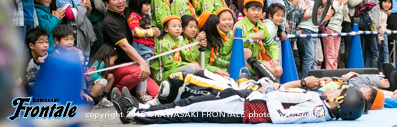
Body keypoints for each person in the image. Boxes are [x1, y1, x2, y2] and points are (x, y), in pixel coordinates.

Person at [111, 80, 366, 124]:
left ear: (340, 103)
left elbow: (279, 116)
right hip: (247, 99)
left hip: (245, 110)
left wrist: (272, 94)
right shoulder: (319, 101)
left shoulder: (315, 110)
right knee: (189, 103)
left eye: (339, 92)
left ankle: (134, 113)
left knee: (189, 111)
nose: (334, 90)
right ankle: (143, 107)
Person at [101, 0, 160, 98]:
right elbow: (125, 46)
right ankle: (116, 92)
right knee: (138, 72)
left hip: (135, 63)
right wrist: (142, 63)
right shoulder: (109, 22)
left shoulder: (130, 12)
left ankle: (130, 91)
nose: (120, 1)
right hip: (120, 66)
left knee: (156, 94)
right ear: (106, 3)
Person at [234, 0, 282, 79]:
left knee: (278, 70)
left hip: (256, 62)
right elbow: (233, 45)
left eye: (259, 10)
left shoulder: (262, 27)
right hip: (241, 63)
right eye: (253, 10)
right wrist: (250, 37)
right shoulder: (239, 26)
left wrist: (274, 59)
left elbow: (271, 45)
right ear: (245, 11)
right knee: (246, 51)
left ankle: (257, 79)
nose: (256, 13)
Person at [322, 0, 349, 69]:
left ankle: (334, 73)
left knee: (335, 54)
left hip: (338, 30)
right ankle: (330, 74)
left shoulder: (342, 1)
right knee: (330, 55)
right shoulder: (330, 1)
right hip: (329, 29)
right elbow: (332, 12)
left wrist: (344, 4)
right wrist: (340, 3)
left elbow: (345, 15)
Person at [25, 28, 49, 93]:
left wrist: (42, 63)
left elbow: (50, 79)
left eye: (47, 42)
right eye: (41, 42)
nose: (46, 45)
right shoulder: (24, 59)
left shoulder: (48, 59)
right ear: (31, 45)